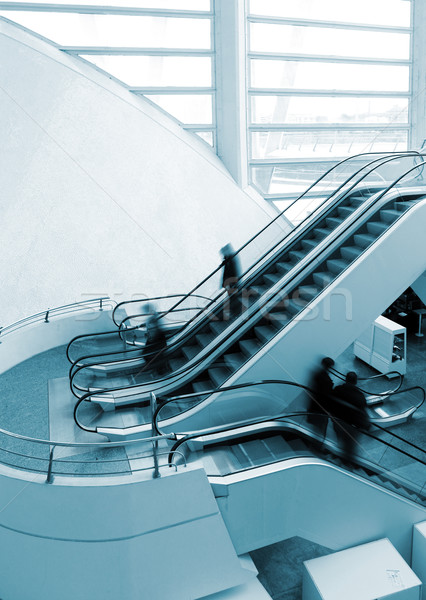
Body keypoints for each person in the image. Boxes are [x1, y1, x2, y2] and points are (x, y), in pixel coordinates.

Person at [332, 371, 369, 463]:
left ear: (346, 379)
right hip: (351, 426)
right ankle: (347, 464)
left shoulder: (337, 389)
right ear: (355, 381)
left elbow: (331, 403)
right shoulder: (359, 396)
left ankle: (340, 457)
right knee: (350, 446)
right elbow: (363, 411)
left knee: (340, 440)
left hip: (337, 422)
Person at [307, 356, 335, 441]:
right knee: (321, 429)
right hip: (321, 409)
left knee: (316, 428)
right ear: (329, 367)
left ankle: (315, 443)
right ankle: (319, 445)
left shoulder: (316, 374)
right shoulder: (326, 380)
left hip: (314, 406)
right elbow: (327, 396)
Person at [140, 303, 168, 376]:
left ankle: (159, 369)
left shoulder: (153, 317)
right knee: (147, 354)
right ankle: (158, 369)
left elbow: (155, 329)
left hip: (156, 339)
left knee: (148, 354)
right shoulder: (153, 316)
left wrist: (151, 339)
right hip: (155, 338)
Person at [220, 243, 242, 319]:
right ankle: (236, 313)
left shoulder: (231, 259)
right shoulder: (229, 258)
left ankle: (237, 313)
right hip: (231, 282)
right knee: (232, 297)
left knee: (232, 298)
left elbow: (231, 271)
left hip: (233, 282)